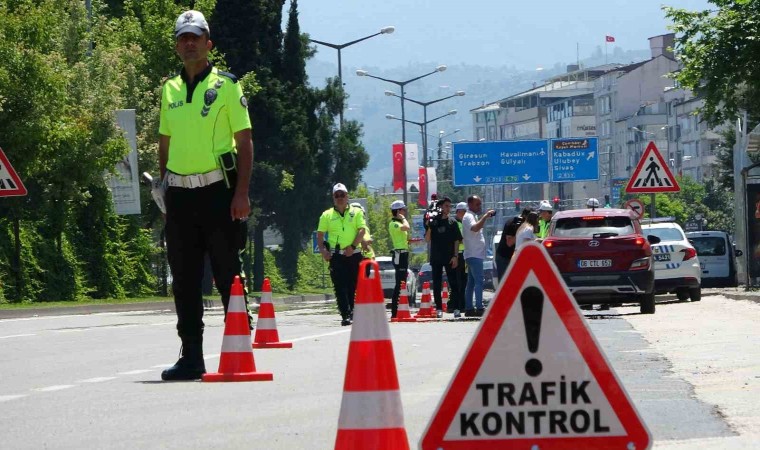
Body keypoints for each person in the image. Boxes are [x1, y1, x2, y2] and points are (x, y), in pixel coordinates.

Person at [158, 10, 254, 381]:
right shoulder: (169, 89)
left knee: (227, 271)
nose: (189, 43)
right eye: (183, 37)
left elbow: (244, 142)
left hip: (218, 193)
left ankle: (239, 348)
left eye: (195, 37)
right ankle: (191, 357)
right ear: (176, 46)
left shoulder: (227, 86)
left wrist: (241, 192)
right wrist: (165, 192)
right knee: (184, 279)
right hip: (180, 197)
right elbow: (164, 145)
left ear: (208, 44)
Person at [317, 184, 367, 326]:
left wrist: (352, 246)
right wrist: (323, 251)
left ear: (347, 196)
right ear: (333, 198)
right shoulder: (327, 215)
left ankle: (353, 312)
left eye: (342, 195)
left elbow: (362, 230)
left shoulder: (356, 212)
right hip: (336, 256)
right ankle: (345, 314)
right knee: (340, 286)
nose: (340, 198)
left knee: (353, 285)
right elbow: (320, 235)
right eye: (337, 195)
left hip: (354, 254)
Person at [425, 197, 462, 318]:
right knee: (436, 283)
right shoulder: (434, 221)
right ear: (440, 207)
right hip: (436, 257)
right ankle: (439, 308)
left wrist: (455, 256)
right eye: (446, 206)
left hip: (450, 257)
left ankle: (456, 308)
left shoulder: (452, 222)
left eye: (449, 206)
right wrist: (429, 226)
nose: (448, 208)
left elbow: (457, 240)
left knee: (453, 282)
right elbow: (427, 239)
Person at [462, 195, 496, 317]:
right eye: (477, 204)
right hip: (474, 254)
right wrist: (485, 217)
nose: (479, 206)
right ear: (470, 204)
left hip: (474, 254)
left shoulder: (472, 216)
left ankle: (469, 308)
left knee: (471, 282)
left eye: (480, 204)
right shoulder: (468, 216)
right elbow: (475, 228)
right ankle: (479, 307)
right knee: (479, 281)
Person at [388, 200, 410, 318]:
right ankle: (395, 311)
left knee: (403, 282)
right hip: (399, 255)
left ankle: (401, 309)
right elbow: (407, 227)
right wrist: (403, 218)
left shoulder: (398, 223)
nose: (404, 212)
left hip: (403, 253)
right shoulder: (394, 224)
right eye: (403, 210)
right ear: (398, 211)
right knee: (400, 282)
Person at [495, 208, 529, 281]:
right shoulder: (512, 223)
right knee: (504, 282)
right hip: (504, 257)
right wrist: (521, 233)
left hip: (515, 257)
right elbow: (509, 243)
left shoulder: (525, 227)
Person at [452, 202, 469, 318]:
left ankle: (463, 304)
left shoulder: (465, 223)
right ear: (459, 212)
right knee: (458, 281)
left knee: (465, 281)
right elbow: (459, 239)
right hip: (458, 254)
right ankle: (456, 305)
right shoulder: (455, 223)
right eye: (465, 212)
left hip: (466, 254)